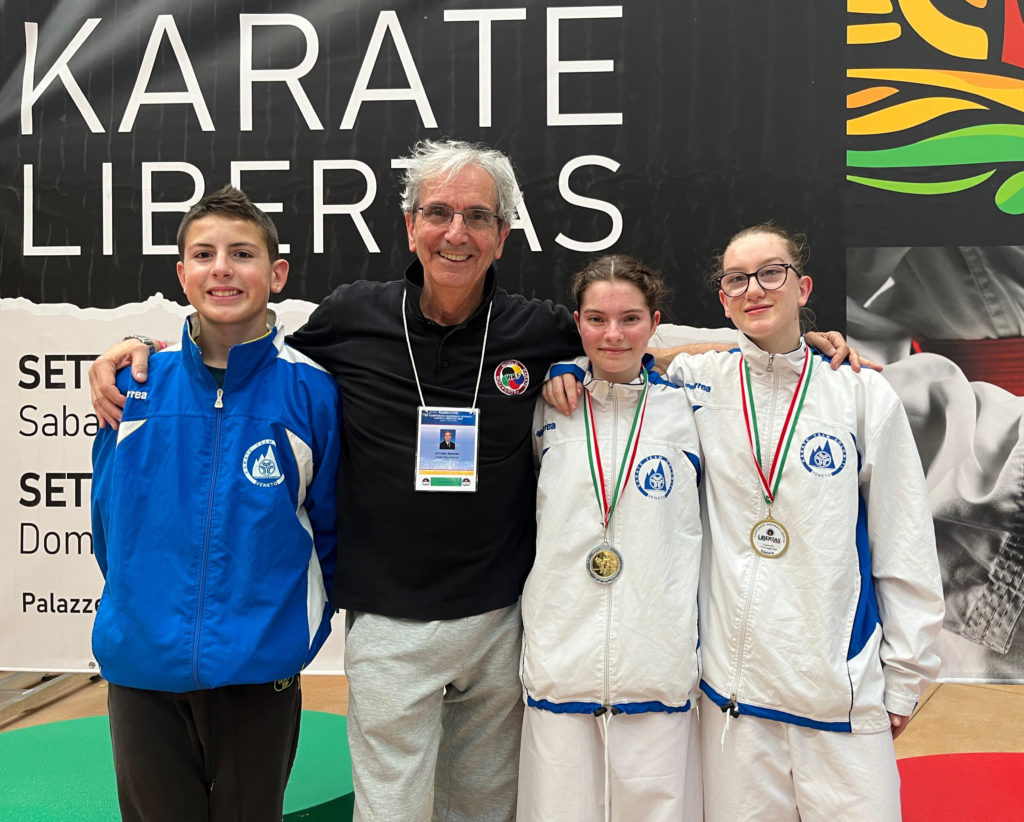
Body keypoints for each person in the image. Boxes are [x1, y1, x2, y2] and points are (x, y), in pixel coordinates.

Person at [89, 140, 858, 821]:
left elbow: (634, 346)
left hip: (500, 618)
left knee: (484, 809)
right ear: (410, 227)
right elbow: (243, 346)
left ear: (502, 236)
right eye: (438, 213)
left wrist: (783, 344)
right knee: (390, 810)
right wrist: (140, 346)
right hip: (388, 622)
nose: (456, 232)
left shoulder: (538, 327)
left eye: (478, 217)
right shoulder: (352, 316)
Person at [661, 225, 945, 820]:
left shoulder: (860, 392)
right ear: (723, 299)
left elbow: (905, 541)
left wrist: (904, 677)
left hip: (838, 688)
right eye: (736, 280)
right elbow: (626, 344)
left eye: (771, 273)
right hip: (734, 698)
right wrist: (747, 337)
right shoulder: (699, 381)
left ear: (803, 286)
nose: (754, 289)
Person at [89, 185, 341, 822]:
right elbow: (108, 524)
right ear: (182, 275)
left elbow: (333, 530)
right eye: (204, 255)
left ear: (277, 274)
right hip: (142, 666)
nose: (222, 269)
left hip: (259, 671)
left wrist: (288, 638)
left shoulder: (312, 392)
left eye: (242, 254)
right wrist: (139, 613)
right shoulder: (135, 384)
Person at [519, 255, 703, 821]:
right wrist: (563, 367)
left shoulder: (690, 407)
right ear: (577, 322)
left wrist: (814, 340)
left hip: (656, 662)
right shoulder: (545, 406)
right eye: (597, 319)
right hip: (562, 660)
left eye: (630, 319)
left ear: (655, 323)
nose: (613, 334)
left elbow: (747, 355)